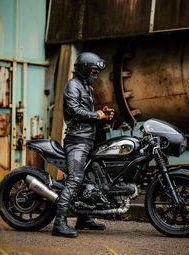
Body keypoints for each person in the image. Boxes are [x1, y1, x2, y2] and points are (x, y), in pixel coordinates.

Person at [52, 52, 114, 238]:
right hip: (77, 140)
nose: (95, 75)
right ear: (85, 69)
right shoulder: (73, 86)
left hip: (87, 139)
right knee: (75, 178)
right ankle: (59, 223)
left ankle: (83, 219)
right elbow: (75, 111)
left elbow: (84, 111)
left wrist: (101, 113)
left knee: (90, 180)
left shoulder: (85, 86)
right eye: (94, 71)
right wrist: (97, 116)